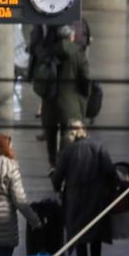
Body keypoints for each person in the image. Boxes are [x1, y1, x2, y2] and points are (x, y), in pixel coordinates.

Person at [51, 121, 119, 256]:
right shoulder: (98, 147)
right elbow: (109, 171)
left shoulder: (67, 152)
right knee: (95, 233)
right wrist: (114, 186)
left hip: (75, 199)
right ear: (85, 131)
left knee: (80, 234)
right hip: (96, 197)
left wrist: (57, 186)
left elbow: (57, 177)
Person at [29, 24, 92, 167]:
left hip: (50, 101)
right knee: (68, 134)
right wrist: (84, 96)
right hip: (71, 103)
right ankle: (64, 163)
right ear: (72, 36)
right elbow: (86, 78)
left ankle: (52, 162)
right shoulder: (78, 54)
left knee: (51, 134)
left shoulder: (49, 51)